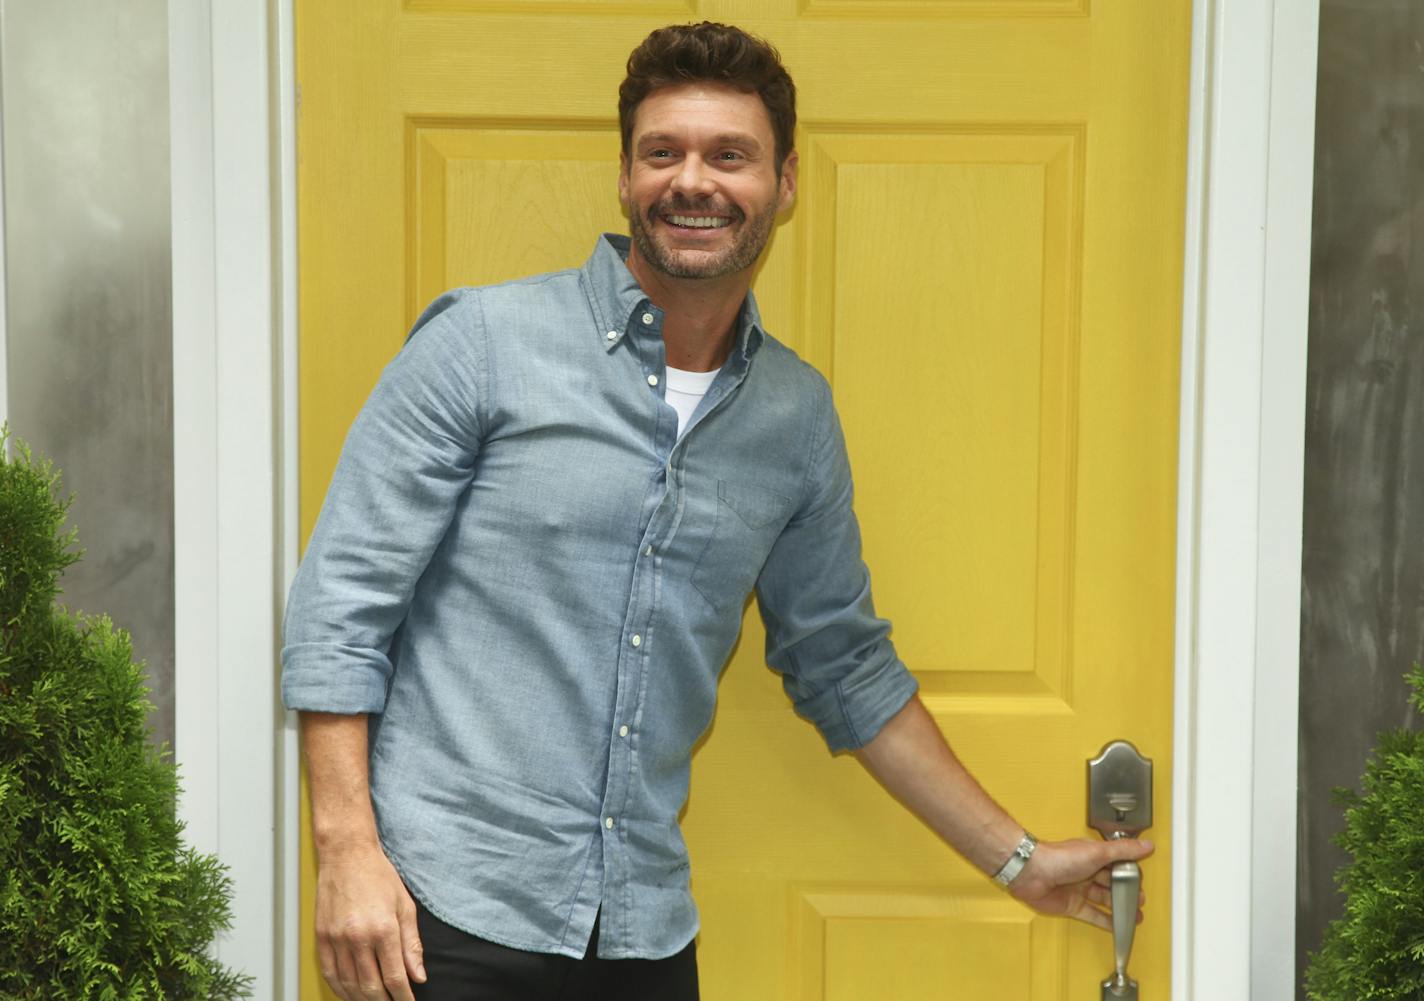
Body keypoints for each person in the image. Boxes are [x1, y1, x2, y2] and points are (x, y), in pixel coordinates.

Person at [281, 21, 1153, 1001]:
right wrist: (346, 850)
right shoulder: (481, 343)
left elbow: (843, 665)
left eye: (727, 155)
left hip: (644, 934)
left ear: (781, 186)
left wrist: (1018, 860)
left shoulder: (792, 414)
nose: (691, 180)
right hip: (438, 915)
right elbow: (341, 607)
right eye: (663, 152)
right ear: (624, 177)